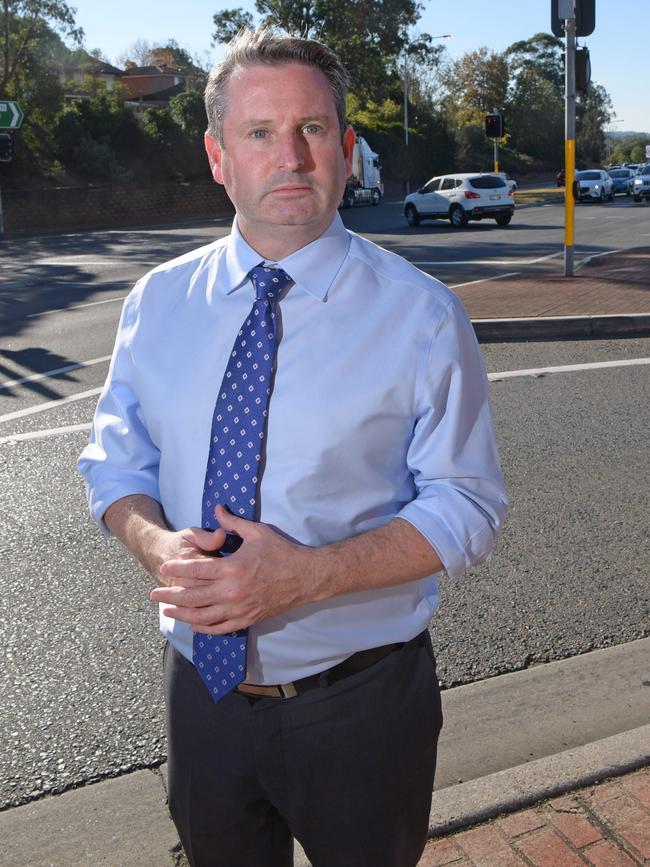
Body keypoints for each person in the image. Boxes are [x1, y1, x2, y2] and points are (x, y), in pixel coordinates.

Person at [78, 27, 508, 867]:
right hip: (203, 696)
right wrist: (160, 544)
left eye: (313, 129)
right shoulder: (158, 302)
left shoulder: (422, 315)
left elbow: (469, 502)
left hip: (362, 702)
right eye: (259, 133)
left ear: (347, 149)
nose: (292, 157)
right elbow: (113, 464)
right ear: (217, 156)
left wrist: (306, 574)